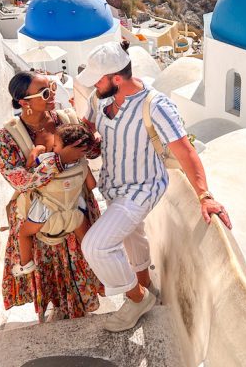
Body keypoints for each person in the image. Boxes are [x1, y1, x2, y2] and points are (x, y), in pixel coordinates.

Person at [77, 41, 232, 333]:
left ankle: (137, 299)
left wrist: (205, 195)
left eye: (98, 79)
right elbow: (88, 127)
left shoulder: (156, 106)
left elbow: (186, 151)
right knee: (132, 238)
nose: (94, 85)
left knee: (96, 245)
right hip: (113, 185)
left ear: (117, 78)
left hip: (143, 188)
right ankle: (148, 285)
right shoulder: (100, 99)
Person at [0, 71, 104, 321]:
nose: (53, 94)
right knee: (50, 268)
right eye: (45, 92)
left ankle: (81, 307)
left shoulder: (67, 118)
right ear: (24, 102)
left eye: (52, 87)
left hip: (76, 202)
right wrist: (58, 161)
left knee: (84, 257)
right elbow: (17, 179)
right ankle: (58, 308)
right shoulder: (6, 138)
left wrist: (92, 137)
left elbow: (93, 152)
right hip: (39, 212)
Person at [11, 123, 97, 278]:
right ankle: (93, 259)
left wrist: (36, 151)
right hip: (73, 212)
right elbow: (92, 185)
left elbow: (29, 173)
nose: (54, 147)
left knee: (24, 234)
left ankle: (26, 264)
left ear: (67, 147)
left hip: (46, 212)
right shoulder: (83, 163)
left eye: (56, 144)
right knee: (86, 239)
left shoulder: (47, 161)